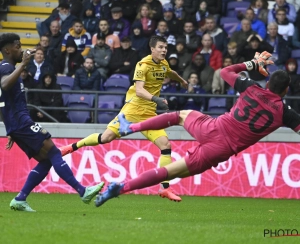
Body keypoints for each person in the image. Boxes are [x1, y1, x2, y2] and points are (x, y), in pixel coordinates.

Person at [93, 51, 300, 207]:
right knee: (169, 172)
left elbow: (225, 71)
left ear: (267, 82)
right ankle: (122, 188)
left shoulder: (251, 87)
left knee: (180, 115)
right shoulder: (285, 112)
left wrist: (253, 63)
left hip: (212, 127)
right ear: (286, 90)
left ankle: (132, 126)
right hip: (220, 148)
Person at [59, 35, 188, 202]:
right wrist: (157, 100)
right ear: (152, 49)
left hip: (149, 114)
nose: (164, 50)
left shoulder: (163, 63)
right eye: (161, 47)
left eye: (165, 47)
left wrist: (182, 81)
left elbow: (170, 72)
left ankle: (164, 188)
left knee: (165, 145)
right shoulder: (142, 65)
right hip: (132, 110)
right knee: (105, 138)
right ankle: (72, 147)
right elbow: (140, 90)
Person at [0, 33, 104, 212]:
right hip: (20, 121)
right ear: (8, 49)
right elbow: (4, 85)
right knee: (54, 152)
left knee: (48, 159)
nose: (21, 49)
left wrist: (11, 130)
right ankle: (82, 191)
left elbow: (4, 99)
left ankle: (20, 198)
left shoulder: (8, 67)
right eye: (18, 46)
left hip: (17, 123)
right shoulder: (6, 67)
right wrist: (24, 64)